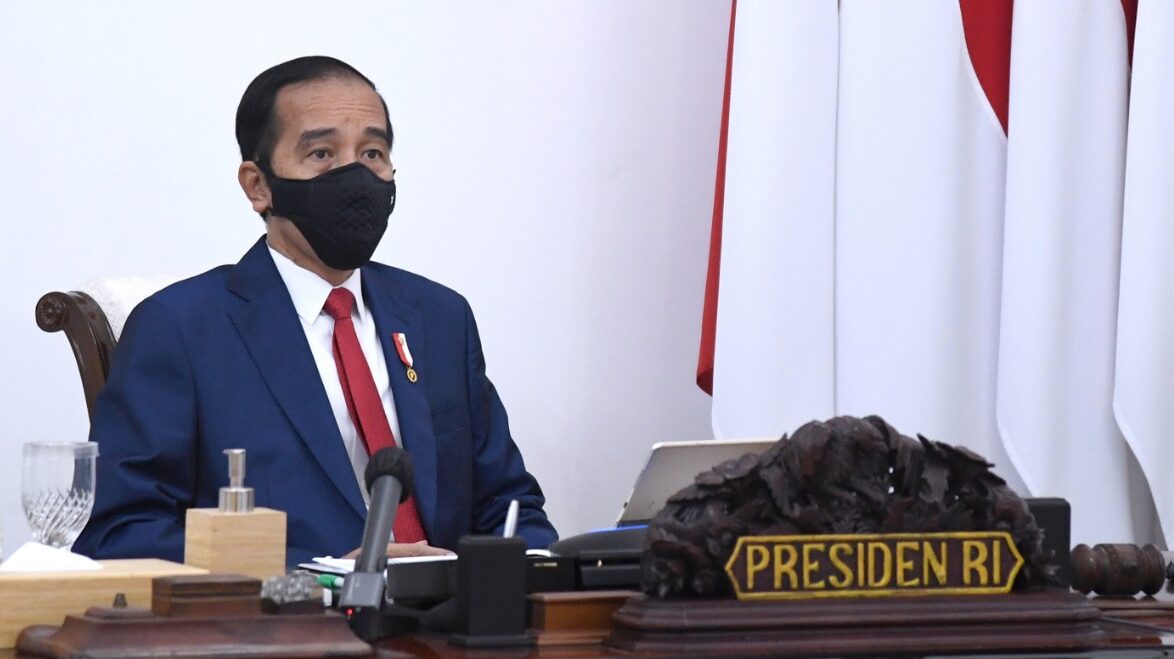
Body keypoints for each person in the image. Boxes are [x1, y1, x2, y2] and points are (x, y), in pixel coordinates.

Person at [72, 56, 557, 566]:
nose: (355, 175)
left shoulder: (440, 318)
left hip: (448, 611)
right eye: (322, 153)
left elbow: (509, 505)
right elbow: (122, 532)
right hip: (288, 610)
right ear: (258, 186)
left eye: (372, 153)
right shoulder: (180, 328)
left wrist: (539, 572)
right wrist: (319, 572)